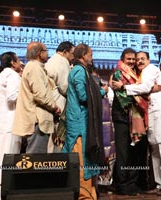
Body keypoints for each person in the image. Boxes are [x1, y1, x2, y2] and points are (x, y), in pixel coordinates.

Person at [112, 51, 161, 196]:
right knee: (155, 149)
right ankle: (160, 183)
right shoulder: (139, 73)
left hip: (160, 112)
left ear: (149, 60)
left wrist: (124, 87)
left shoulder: (151, 70)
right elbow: (149, 88)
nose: (139, 61)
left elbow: (146, 87)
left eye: (142, 59)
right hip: (150, 113)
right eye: (137, 60)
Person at [62, 43, 106, 200]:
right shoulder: (79, 71)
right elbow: (83, 96)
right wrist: (102, 91)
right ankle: (83, 195)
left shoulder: (81, 70)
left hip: (83, 121)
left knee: (88, 156)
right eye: (91, 54)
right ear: (83, 56)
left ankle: (91, 194)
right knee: (82, 159)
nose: (92, 57)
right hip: (80, 123)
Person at [110, 48, 148, 195]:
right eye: (129, 59)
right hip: (122, 117)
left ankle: (132, 183)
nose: (132, 62)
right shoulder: (118, 73)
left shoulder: (137, 75)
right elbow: (124, 98)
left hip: (136, 119)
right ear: (122, 59)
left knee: (134, 152)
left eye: (134, 59)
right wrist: (140, 94)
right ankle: (121, 184)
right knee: (123, 152)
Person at [12, 42, 61, 153]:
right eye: (46, 51)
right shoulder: (34, 67)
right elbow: (40, 95)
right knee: (35, 160)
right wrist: (55, 107)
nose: (48, 53)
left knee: (37, 160)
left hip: (38, 120)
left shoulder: (35, 67)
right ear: (39, 53)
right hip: (37, 121)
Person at [0, 52, 23, 200]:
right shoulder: (13, 76)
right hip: (9, 125)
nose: (21, 62)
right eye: (18, 60)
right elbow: (12, 97)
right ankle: (6, 196)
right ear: (12, 63)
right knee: (8, 163)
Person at [45, 41, 75, 152]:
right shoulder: (62, 61)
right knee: (57, 141)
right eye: (72, 54)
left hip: (51, 102)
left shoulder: (52, 60)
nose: (73, 57)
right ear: (65, 52)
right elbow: (65, 87)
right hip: (58, 103)